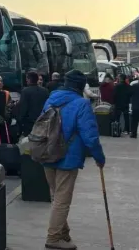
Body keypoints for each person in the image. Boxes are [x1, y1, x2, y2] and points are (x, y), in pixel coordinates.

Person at [41, 70, 106, 249]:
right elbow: (90, 136)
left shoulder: (51, 99)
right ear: (80, 86)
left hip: (47, 152)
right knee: (62, 200)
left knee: (56, 197)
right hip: (68, 157)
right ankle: (53, 238)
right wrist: (99, 157)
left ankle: (63, 234)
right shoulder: (82, 104)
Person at [19, 71, 49, 137]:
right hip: (43, 120)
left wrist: (20, 120)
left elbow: (23, 108)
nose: (26, 80)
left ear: (29, 79)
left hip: (30, 122)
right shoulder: (45, 91)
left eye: (27, 78)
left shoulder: (25, 91)